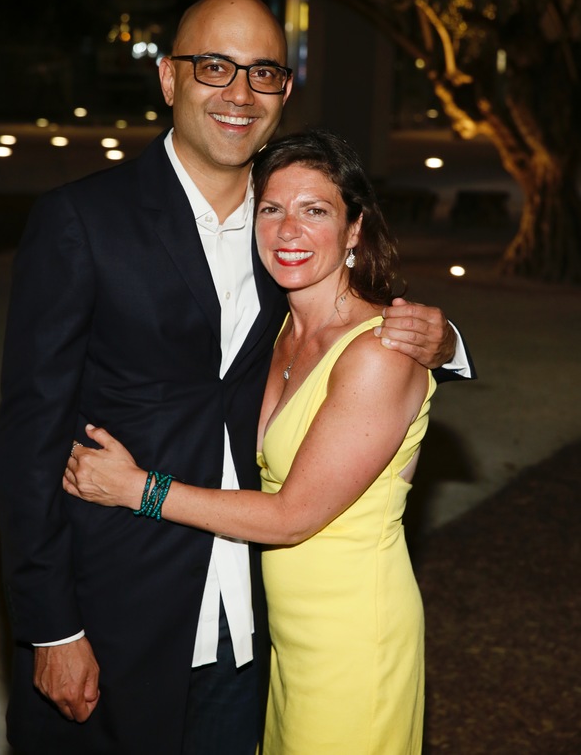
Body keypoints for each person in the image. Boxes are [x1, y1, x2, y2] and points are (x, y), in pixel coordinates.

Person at [0, 0, 474, 755]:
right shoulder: (82, 221)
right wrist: (52, 625)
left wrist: (444, 343)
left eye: (264, 73)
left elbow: (357, 331)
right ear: (169, 79)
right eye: (215, 66)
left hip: (254, 625)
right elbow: (27, 439)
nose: (240, 94)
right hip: (114, 612)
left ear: (286, 89)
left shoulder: (288, 221)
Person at [64, 127, 438, 754]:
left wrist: (139, 490)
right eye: (272, 208)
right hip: (282, 639)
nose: (289, 228)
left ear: (354, 230)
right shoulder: (275, 333)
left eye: (315, 210)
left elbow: (292, 517)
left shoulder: (379, 352)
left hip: (353, 639)